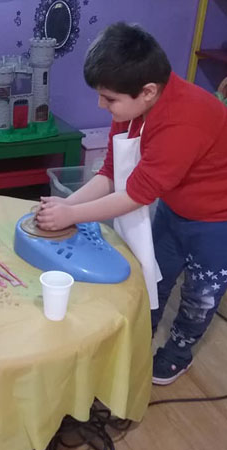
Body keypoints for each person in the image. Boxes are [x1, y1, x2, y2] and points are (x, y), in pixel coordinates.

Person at [36, 22, 227, 385]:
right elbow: (109, 173)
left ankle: (178, 353)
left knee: (199, 296)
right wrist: (64, 206)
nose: (101, 105)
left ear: (148, 91)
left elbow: (137, 195)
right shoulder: (132, 109)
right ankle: (139, 337)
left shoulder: (184, 122)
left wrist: (71, 214)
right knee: (152, 277)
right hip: (174, 208)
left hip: (217, 221)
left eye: (109, 98)